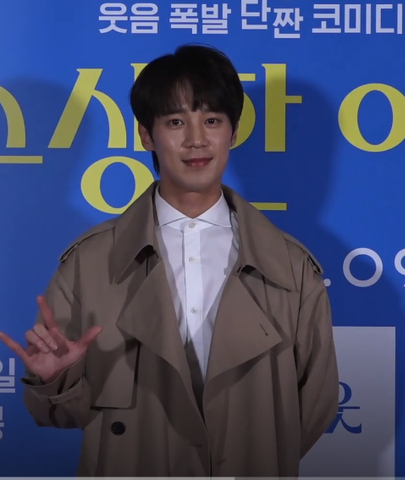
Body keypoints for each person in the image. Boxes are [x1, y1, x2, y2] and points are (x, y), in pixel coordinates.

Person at [0, 44, 338, 477]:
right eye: (176, 122)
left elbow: (314, 404)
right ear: (146, 135)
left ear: (233, 132)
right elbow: (57, 414)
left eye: (212, 120)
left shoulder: (290, 267)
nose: (196, 139)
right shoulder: (89, 263)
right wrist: (55, 381)